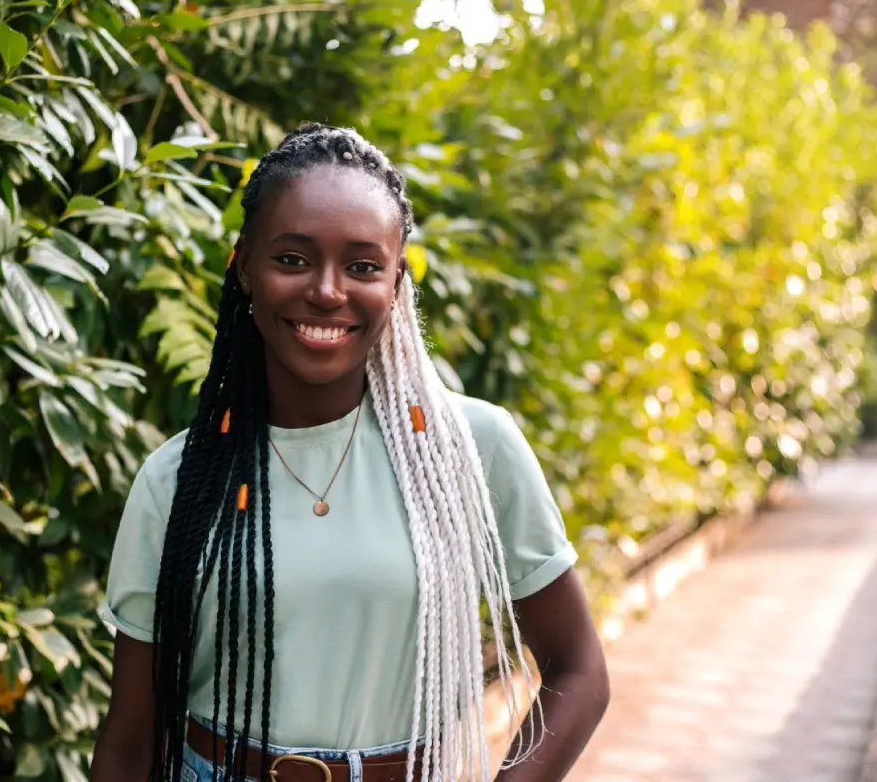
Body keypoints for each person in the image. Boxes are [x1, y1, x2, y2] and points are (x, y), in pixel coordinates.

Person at [90, 124, 609, 782]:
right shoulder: (179, 480)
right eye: (293, 259)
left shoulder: (470, 449)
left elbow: (578, 669)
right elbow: (128, 744)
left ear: (396, 282)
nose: (328, 291)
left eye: (362, 266)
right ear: (244, 267)